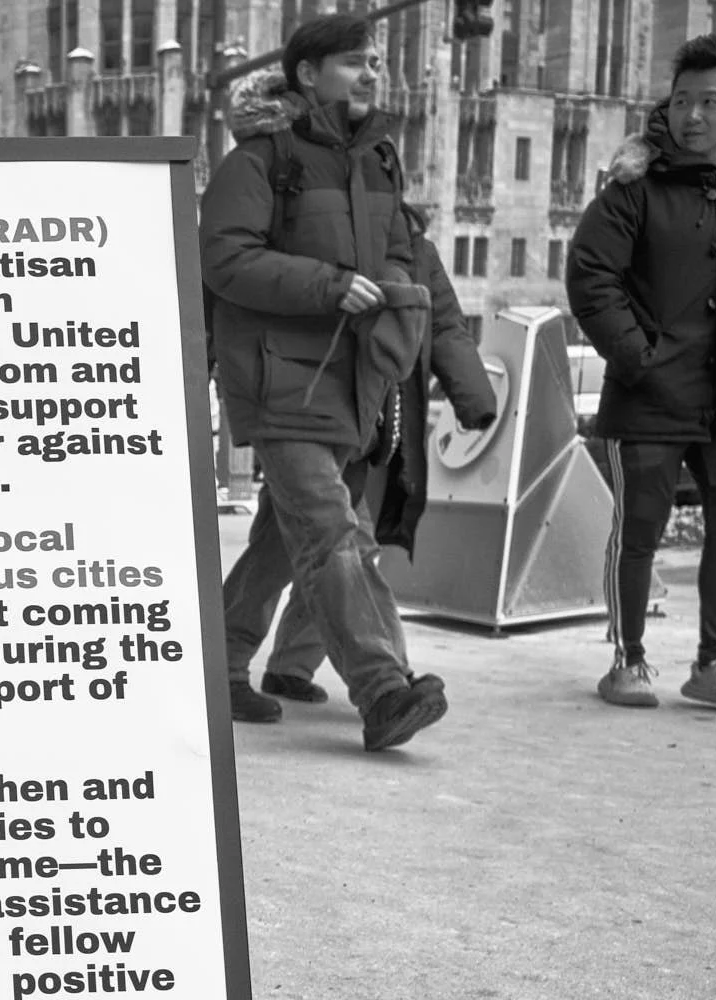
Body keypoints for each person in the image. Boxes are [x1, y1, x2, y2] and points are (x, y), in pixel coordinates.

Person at [200, 13, 448, 752]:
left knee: (286, 541)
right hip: (281, 383)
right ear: (308, 74)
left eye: (374, 62)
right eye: (352, 63)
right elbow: (225, 259)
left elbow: (402, 251)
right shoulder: (257, 161)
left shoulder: (376, 160)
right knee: (337, 536)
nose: (370, 73)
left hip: (352, 383)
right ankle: (384, 689)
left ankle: (217, 667)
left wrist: (394, 293)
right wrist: (331, 286)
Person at [568, 33, 716, 712]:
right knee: (640, 529)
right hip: (651, 392)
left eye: (710, 102)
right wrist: (638, 356)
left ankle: (715, 664)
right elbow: (590, 275)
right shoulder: (636, 184)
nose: (692, 116)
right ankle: (627, 661)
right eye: (682, 100)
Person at [232, 208, 498, 703]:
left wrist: (475, 399)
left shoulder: (416, 251)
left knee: (319, 548)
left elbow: (445, 326)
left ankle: (289, 665)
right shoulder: (310, 232)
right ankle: (382, 681)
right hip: (308, 416)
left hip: (368, 432)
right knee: (330, 548)